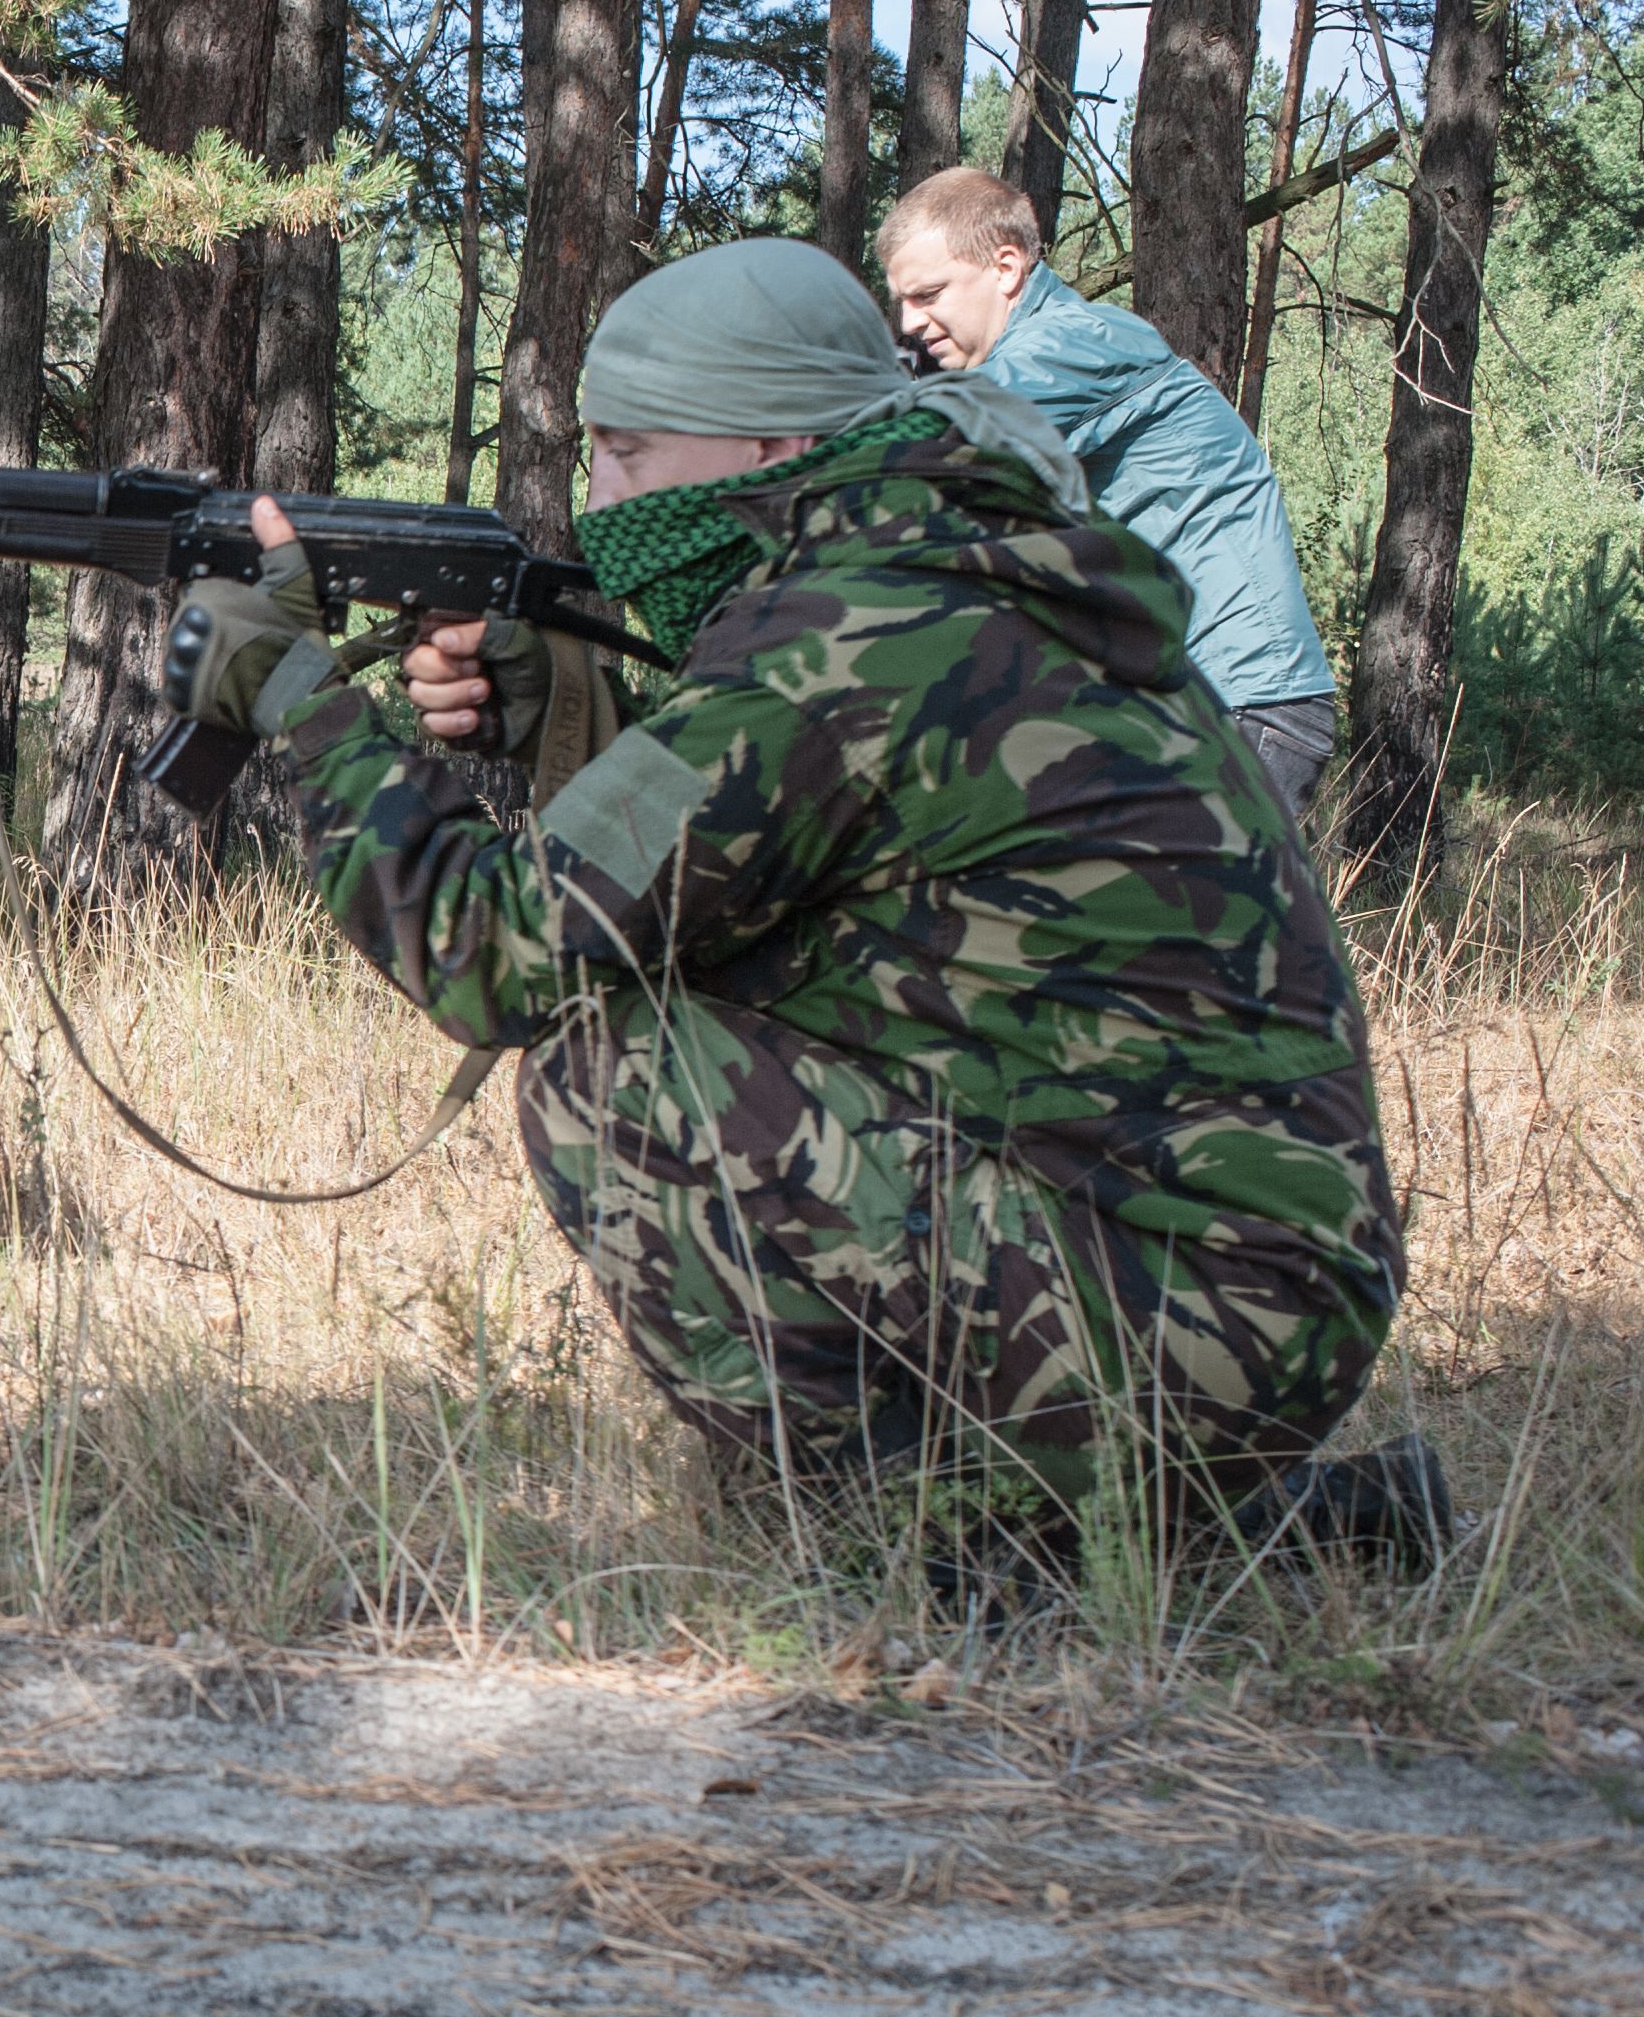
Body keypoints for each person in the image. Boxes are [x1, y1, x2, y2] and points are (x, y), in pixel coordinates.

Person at [163, 241, 1420, 1554]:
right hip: (1247, 1289)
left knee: (615, 1071)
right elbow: (755, 893)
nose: (600, 502)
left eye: (633, 454)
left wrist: (303, 705)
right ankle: (1242, 1518)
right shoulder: (953, 566)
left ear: (764, 453)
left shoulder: (841, 636)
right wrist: (562, 720)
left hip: (1185, 1305)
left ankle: (936, 1546)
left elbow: (498, 950)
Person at [879, 168, 1344, 813]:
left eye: (928, 295)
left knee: (1175, 915)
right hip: (1170, 706)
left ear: (1006, 267)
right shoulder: (1033, 366)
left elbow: (931, 440)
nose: (911, 322)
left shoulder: (1085, 342)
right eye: (901, 302)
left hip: (1240, 704)